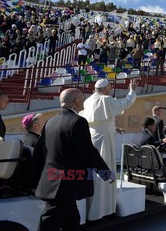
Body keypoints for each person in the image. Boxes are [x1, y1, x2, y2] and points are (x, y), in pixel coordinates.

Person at [33, 88, 114, 231]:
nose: (84, 100)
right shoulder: (78, 122)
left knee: (72, 220)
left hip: (55, 182)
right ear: (76, 101)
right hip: (65, 185)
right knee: (50, 223)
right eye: (82, 98)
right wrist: (106, 173)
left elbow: (39, 152)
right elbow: (88, 152)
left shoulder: (50, 121)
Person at [79, 78, 138, 221]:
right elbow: (125, 103)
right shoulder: (106, 99)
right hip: (104, 140)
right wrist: (132, 91)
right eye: (110, 88)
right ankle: (100, 211)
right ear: (105, 89)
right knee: (104, 173)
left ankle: (92, 209)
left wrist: (113, 128)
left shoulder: (88, 100)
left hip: (93, 138)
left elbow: (98, 121)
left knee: (94, 172)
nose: (110, 90)